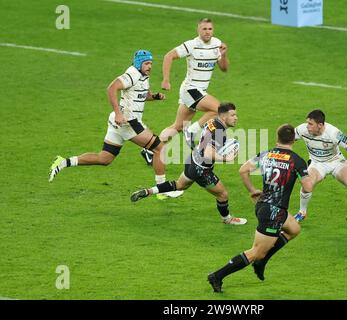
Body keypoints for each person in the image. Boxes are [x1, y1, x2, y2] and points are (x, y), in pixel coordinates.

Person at [48, 49, 183, 198]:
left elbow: (142, 95)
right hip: (127, 121)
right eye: (146, 63)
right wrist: (119, 113)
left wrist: (155, 96)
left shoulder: (143, 76)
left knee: (105, 158)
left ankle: (63, 162)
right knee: (159, 148)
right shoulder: (132, 74)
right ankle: (162, 190)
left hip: (119, 121)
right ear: (139, 63)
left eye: (151, 63)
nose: (150, 66)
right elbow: (112, 88)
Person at [207, 124, 312, 293]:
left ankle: (262, 261)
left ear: (277, 138)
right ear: (293, 140)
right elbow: (308, 187)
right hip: (274, 213)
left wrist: (252, 191)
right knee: (256, 252)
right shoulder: (297, 161)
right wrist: (308, 171)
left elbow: (243, 170)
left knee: (294, 229)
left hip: (264, 205)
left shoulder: (266, 154)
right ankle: (217, 276)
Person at [131, 102, 247, 225]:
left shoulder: (212, 122)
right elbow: (208, 154)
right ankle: (227, 219)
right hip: (202, 171)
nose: (236, 118)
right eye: (233, 115)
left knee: (180, 185)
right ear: (223, 117)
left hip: (192, 160)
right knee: (223, 194)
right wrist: (226, 158)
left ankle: (149, 191)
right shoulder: (219, 132)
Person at [140, 17, 228, 166]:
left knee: (178, 126)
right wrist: (166, 79)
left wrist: (224, 54)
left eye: (210, 29)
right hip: (191, 89)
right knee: (219, 109)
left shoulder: (217, 44)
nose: (207, 32)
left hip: (199, 90)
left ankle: (149, 150)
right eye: (204, 29)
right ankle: (192, 131)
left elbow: (224, 68)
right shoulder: (192, 45)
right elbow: (169, 56)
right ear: (198, 30)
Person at [293, 109, 347, 231]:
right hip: (317, 164)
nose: (307, 126)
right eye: (307, 123)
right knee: (307, 185)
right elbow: (287, 141)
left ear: (320, 125)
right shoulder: (302, 130)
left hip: (336, 162)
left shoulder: (333, 133)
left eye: (311, 124)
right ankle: (302, 212)